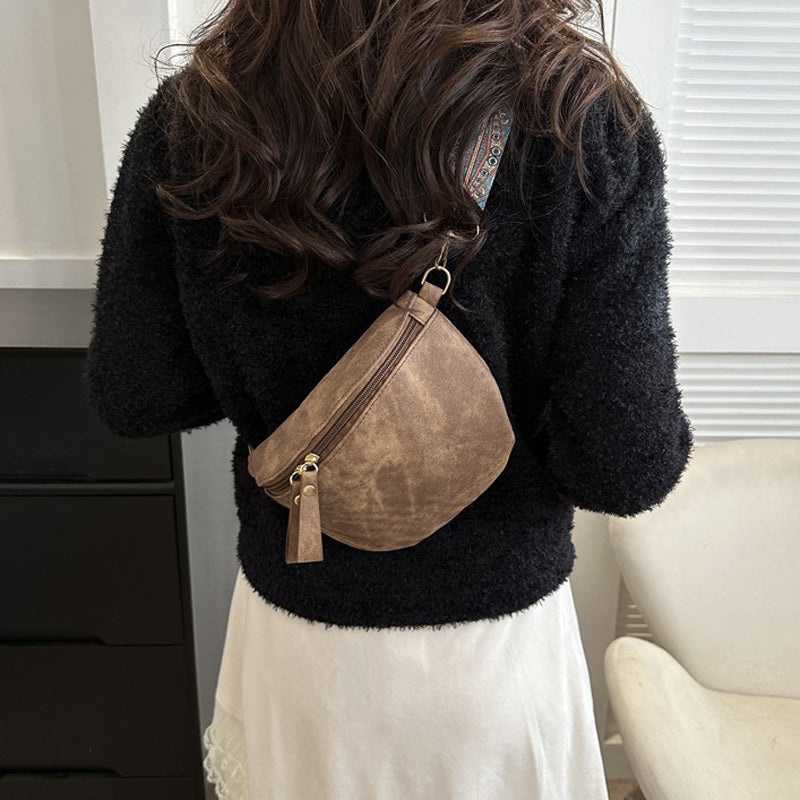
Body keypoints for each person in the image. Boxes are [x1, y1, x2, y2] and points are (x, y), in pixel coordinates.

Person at [84, 1, 695, 798]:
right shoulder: (579, 119)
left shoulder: (197, 116)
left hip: (298, 645)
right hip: (495, 657)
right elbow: (626, 467)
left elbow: (139, 394)